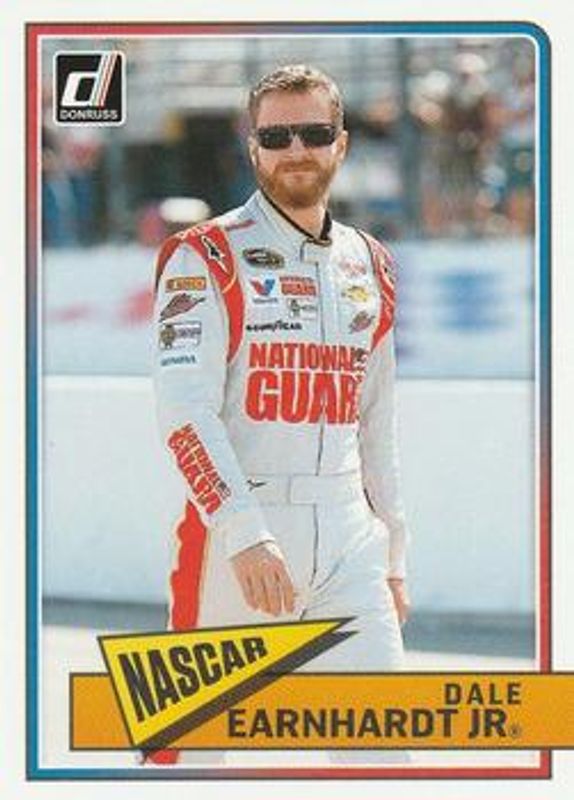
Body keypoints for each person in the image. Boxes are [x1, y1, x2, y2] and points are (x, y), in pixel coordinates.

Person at [150, 64, 411, 765]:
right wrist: (243, 533)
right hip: (237, 541)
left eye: (315, 133)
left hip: (351, 546)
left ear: (342, 144)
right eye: (276, 136)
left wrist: (394, 556)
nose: (296, 149)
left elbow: (376, 423)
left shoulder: (372, 263)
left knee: (387, 763)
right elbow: (183, 413)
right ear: (253, 147)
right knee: (192, 764)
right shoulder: (204, 256)